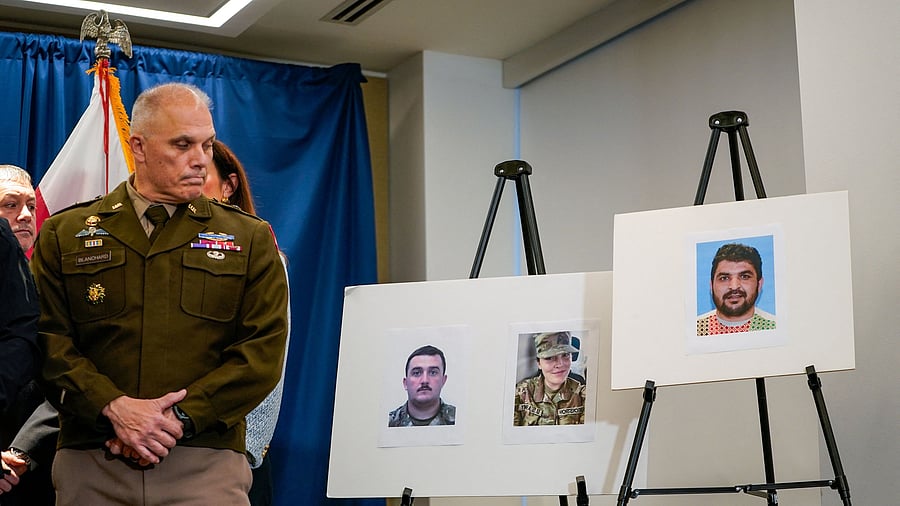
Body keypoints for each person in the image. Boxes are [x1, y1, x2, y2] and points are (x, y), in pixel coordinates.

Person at [30, 83, 288, 505]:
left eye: (207, 144)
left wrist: (176, 421)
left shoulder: (249, 238)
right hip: (92, 459)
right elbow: (47, 341)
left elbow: (261, 355)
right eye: (183, 144)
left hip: (204, 461)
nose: (200, 160)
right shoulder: (67, 233)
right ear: (140, 147)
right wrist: (114, 408)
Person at [203, 139, 289, 506]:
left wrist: (247, 449)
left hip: (231, 455)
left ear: (229, 186)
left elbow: (267, 359)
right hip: (163, 454)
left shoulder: (260, 255)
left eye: (202, 173)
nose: (189, 182)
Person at [0, 165, 43, 502]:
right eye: (10, 205)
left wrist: (24, 450)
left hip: (39, 464)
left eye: (31, 205)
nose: (26, 215)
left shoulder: (60, 282)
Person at [696, 243, 776, 336]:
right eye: (724, 278)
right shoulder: (695, 330)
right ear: (711, 285)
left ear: (759, 284)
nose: (734, 286)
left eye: (744, 276)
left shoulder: (776, 328)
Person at [513, 331, 586, 426]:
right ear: (538, 363)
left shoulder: (582, 395)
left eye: (565, 355)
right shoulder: (521, 393)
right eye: (549, 357)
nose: (560, 364)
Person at [388, 345, 456, 427]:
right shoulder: (389, 422)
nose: (425, 380)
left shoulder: (459, 419)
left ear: (443, 380)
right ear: (405, 383)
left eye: (433, 373)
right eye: (417, 373)